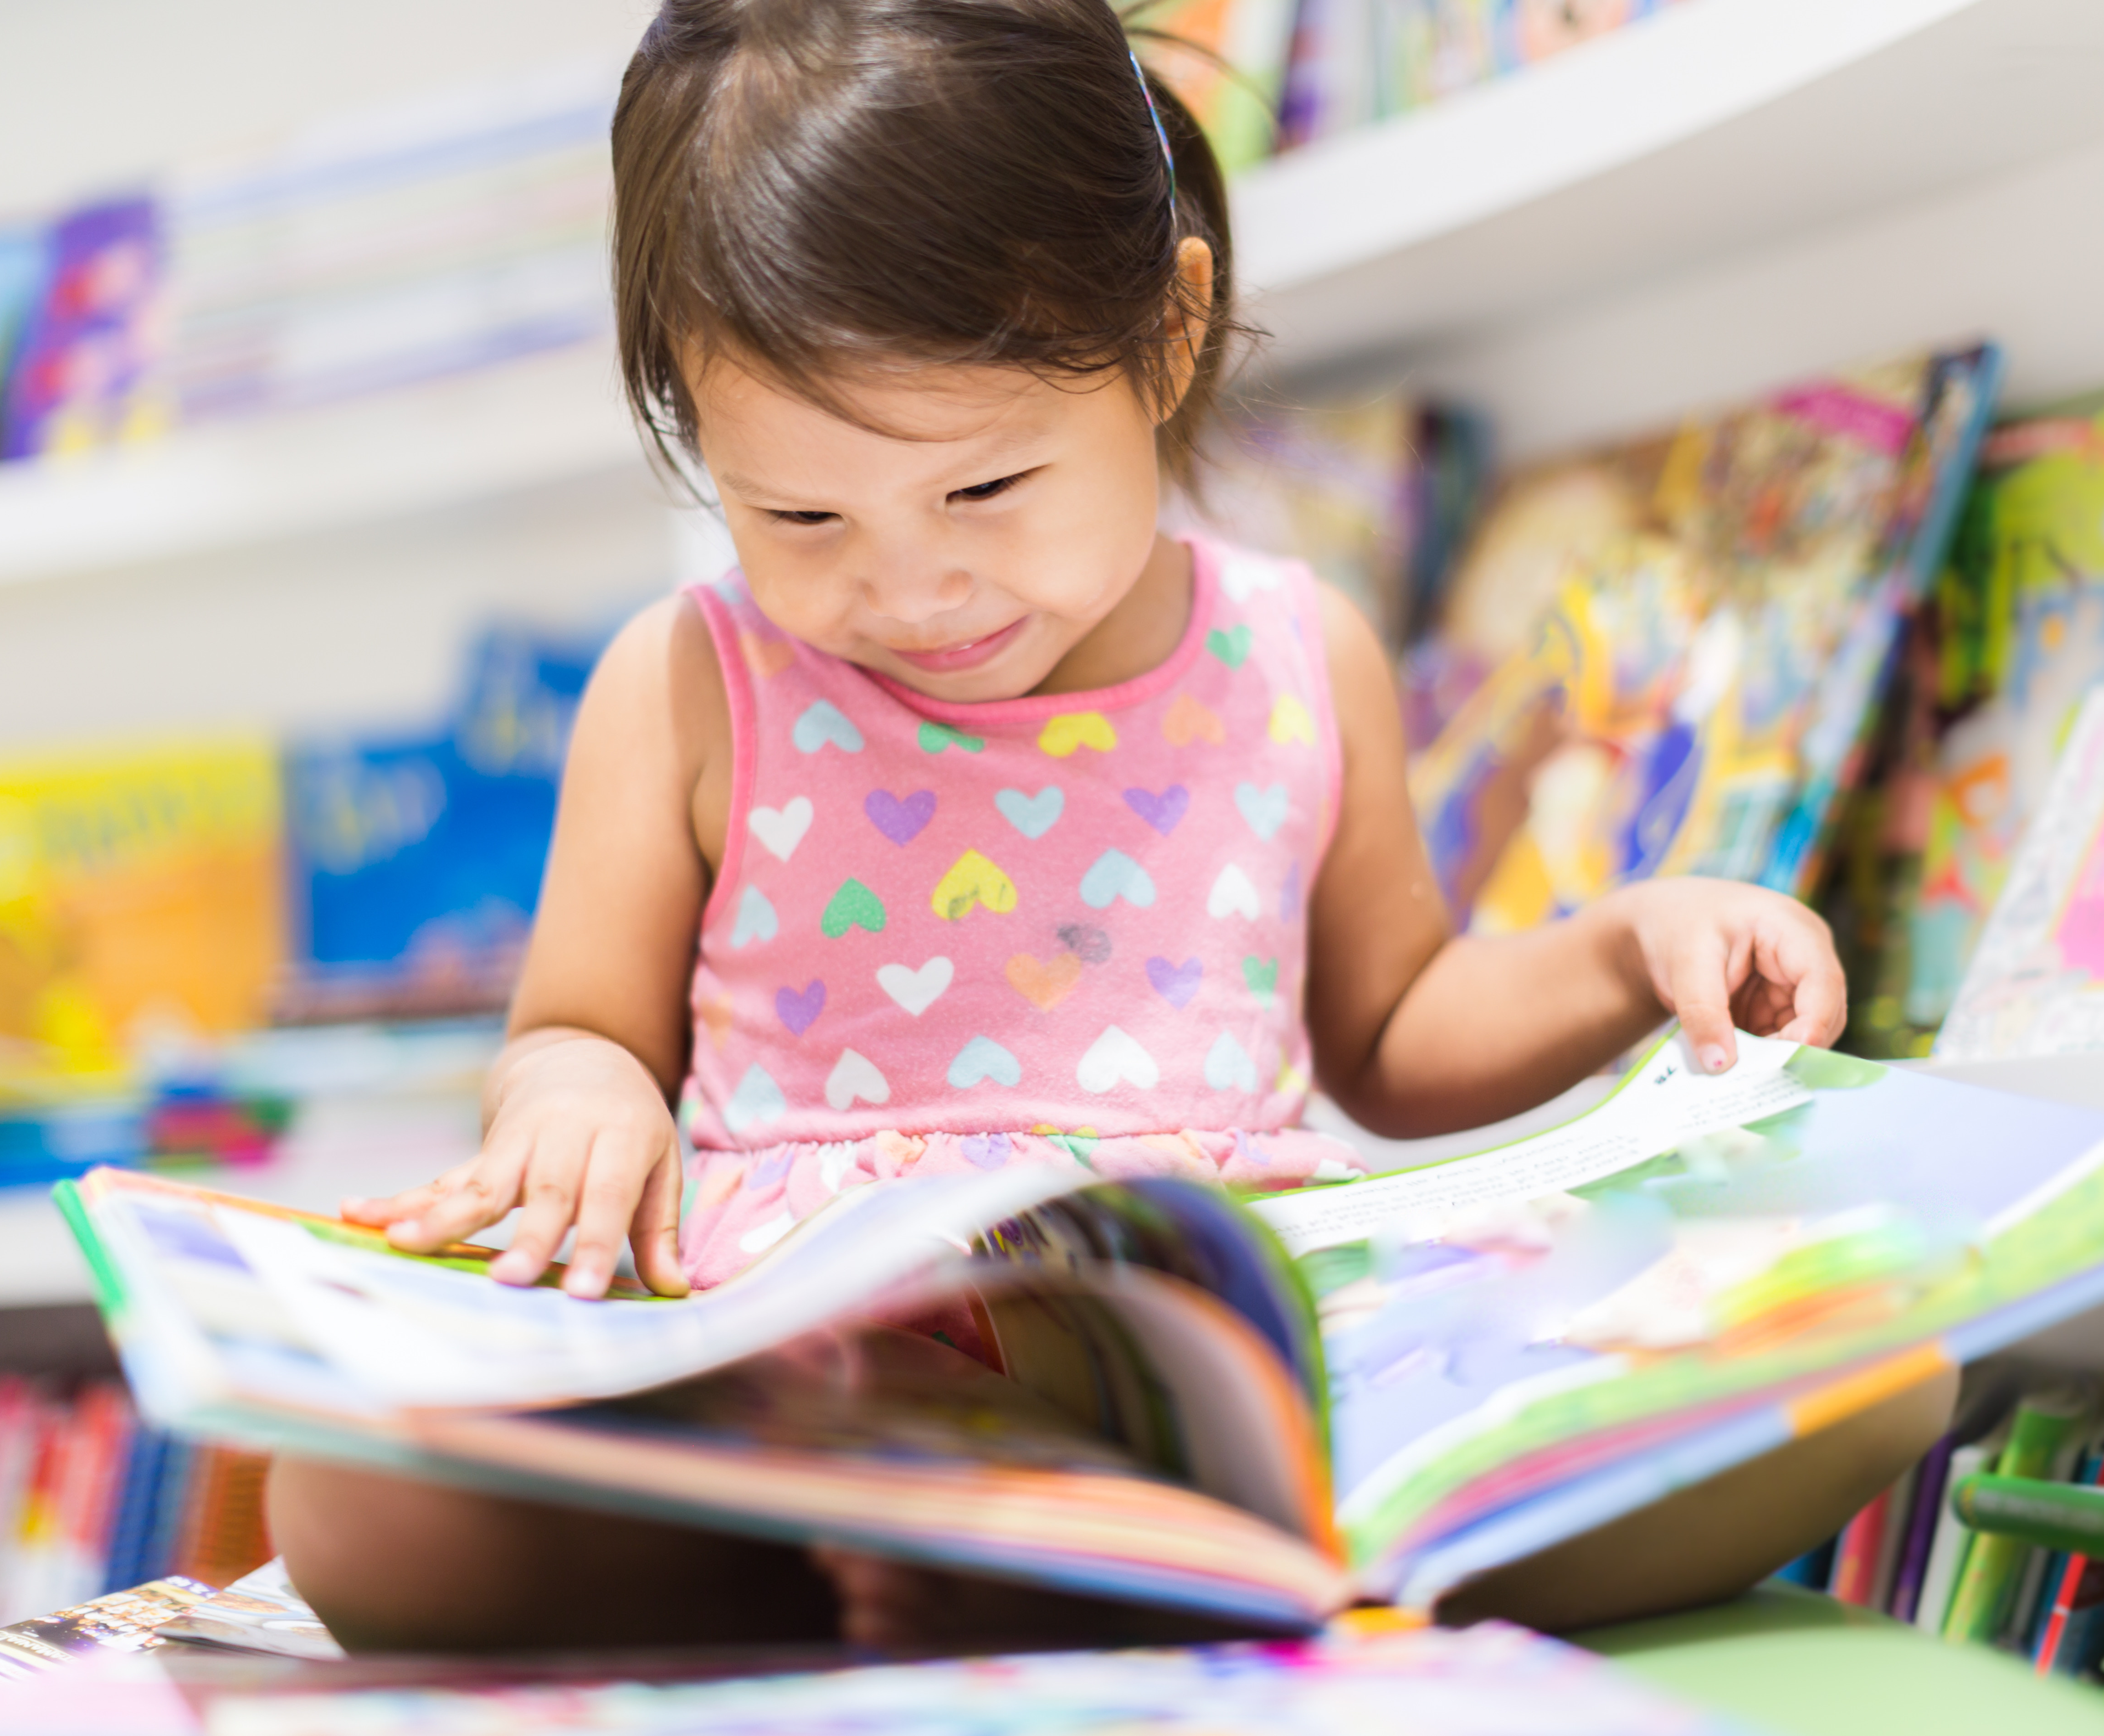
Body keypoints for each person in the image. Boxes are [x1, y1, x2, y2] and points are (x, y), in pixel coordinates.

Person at [267, 0, 1952, 1653]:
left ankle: (1070, 1563)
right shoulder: (692, 685)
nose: (911, 585)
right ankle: (993, 1565)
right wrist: (574, 1101)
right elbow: (577, 1027)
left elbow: (1391, 1037)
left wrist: (1623, 947)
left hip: (1216, 1357)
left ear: (1167, 334)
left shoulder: (1300, 655)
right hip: (823, 1374)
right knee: (348, 1510)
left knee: (1872, 1368)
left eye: (984, 488)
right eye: (797, 513)